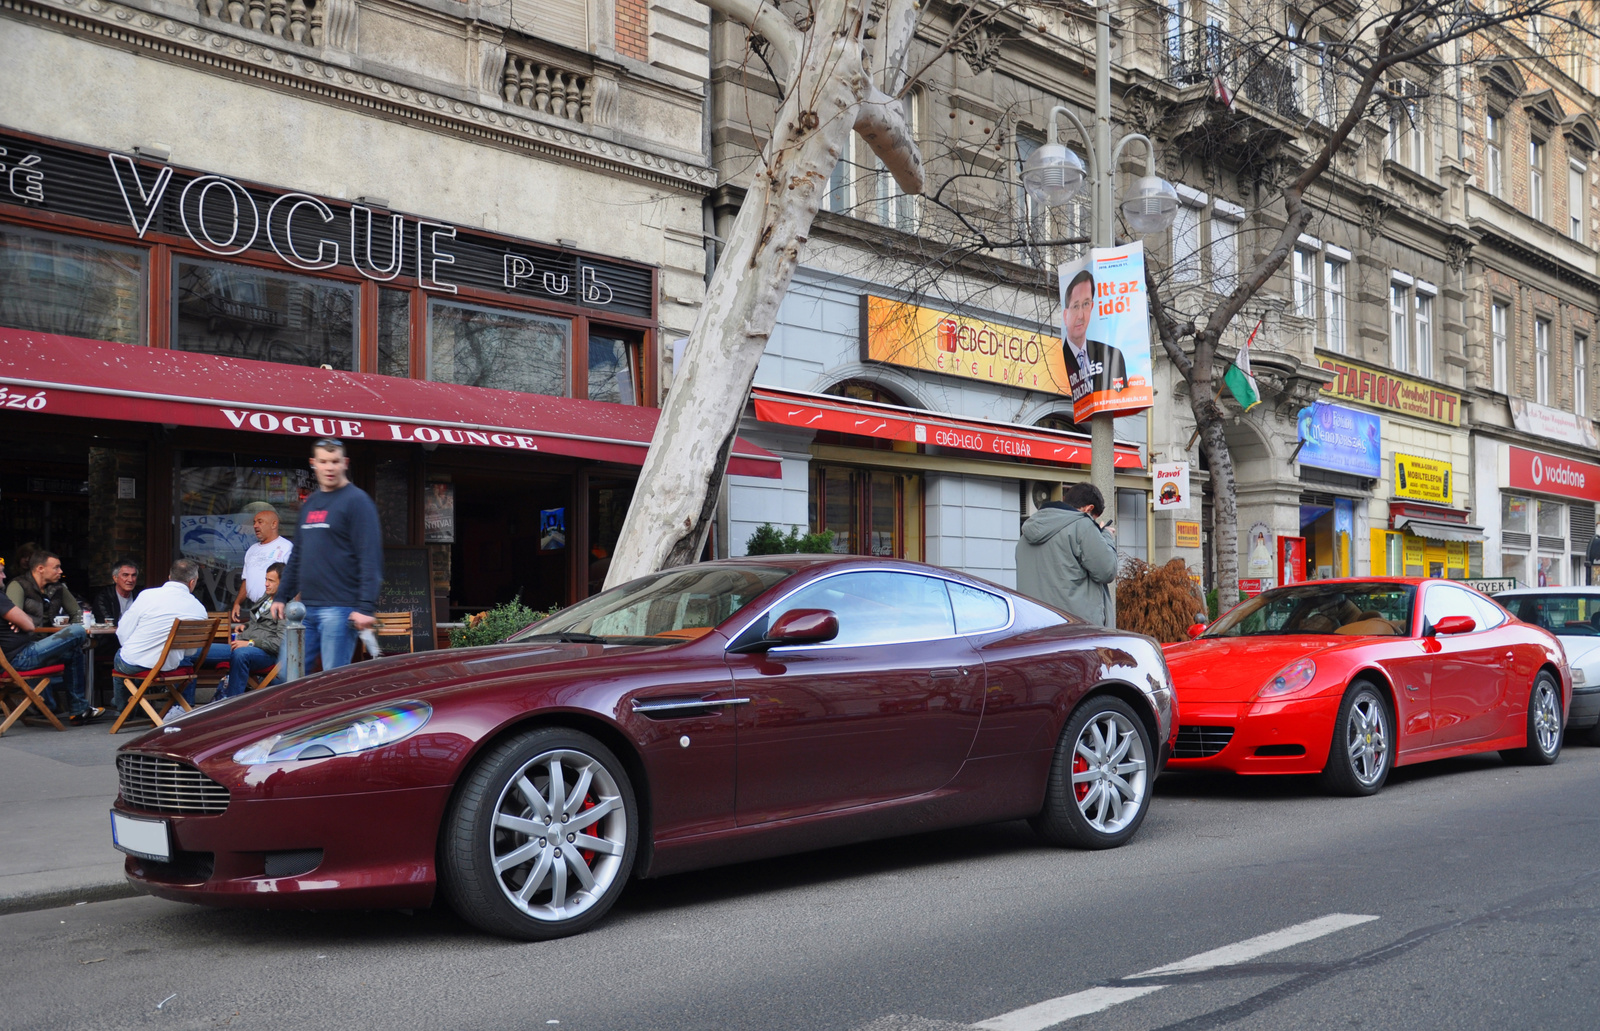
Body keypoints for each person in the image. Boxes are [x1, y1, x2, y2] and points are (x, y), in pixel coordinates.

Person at [273, 438, 383, 672]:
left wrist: (365, 607)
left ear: (345, 462)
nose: (329, 468)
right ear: (313, 463)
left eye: (334, 461)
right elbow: (298, 555)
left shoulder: (357, 501)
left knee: (333, 679)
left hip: (340, 608)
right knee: (286, 673)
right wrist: (282, 595)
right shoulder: (311, 503)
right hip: (305, 608)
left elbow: (370, 557)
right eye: (323, 461)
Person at [0, 553, 102, 723]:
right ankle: (72, 707)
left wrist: (19, 618)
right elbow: (29, 625)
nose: (4, 575)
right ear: (40, 568)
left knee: (73, 651)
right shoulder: (11, 590)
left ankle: (79, 710)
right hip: (22, 657)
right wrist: (20, 618)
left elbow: (22, 620)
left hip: (26, 651)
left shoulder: (58, 588)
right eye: (1, 572)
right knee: (77, 631)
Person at [1014, 482, 1119, 625]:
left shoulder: (1025, 536)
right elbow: (1107, 570)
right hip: (1075, 631)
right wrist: (1105, 535)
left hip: (1034, 627)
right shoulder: (1082, 525)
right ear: (1089, 509)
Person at [113, 558, 209, 710]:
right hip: (170, 666)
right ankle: (135, 706)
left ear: (170, 577)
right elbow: (190, 651)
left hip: (136, 663)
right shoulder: (199, 609)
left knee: (122, 656)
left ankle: (124, 709)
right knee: (129, 656)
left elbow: (123, 633)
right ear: (192, 582)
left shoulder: (147, 596)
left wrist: (138, 650)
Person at [205, 562, 284, 700]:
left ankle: (232, 705)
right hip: (243, 645)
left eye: (271, 581)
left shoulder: (286, 606)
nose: (266, 584)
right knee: (194, 651)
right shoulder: (265, 599)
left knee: (241, 654)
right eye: (266, 579)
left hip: (265, 654)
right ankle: (182, 707)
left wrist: (250, 643)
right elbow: (259, 623)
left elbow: (279, 644)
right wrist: (245, 627)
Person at [1061, 269, 1128, 403]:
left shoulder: (1113, 355)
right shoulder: (1060, 359)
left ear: (1092, 307)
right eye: (1075, 306)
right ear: (1065, 315)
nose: (1081, 316)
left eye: (1085, 304)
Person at [230, 507, 293, 621]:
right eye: (254, 522)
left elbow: (292, 580)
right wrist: (237, 602)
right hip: (256, 607)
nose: (255, 526)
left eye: (260, 522)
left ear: (274, 524)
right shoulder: (251, 550)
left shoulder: (286, 547)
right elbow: (246, 580)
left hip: (277, 608)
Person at [7, 550, 83, 625]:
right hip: (28, 635)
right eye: (56, 568)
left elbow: (77, 613)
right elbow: (14, 619)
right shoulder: (18, 585)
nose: (61, 571)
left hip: (54, 636)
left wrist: (74, 630)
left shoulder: (58, 587)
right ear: (40, 569)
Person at [91, 559, 141, 625]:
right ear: (115, 578)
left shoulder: (140, 596)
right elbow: (108, 624)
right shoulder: (104, 597)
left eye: (133, 575)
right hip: (113, 634)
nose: (130, 580)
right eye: (125, 575)